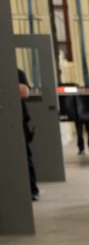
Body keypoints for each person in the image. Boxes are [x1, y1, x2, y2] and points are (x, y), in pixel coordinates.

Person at [18, 69, 38, 201]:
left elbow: (25, 93)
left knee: (26, 155)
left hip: (19, 119)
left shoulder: (17, 72)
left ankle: (32, 190)